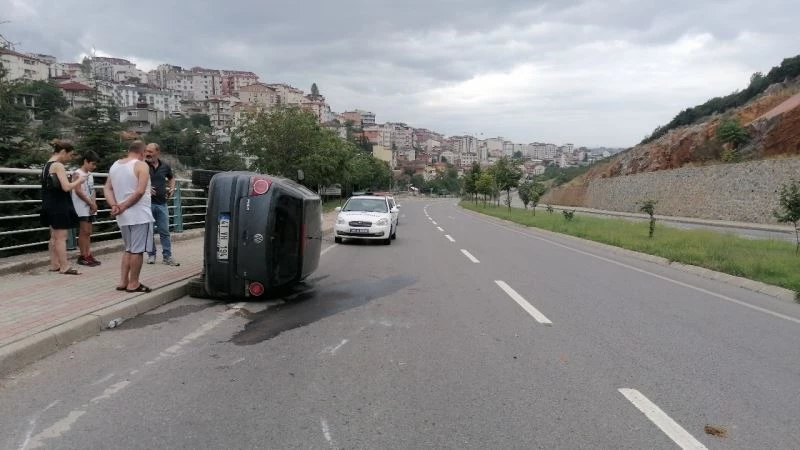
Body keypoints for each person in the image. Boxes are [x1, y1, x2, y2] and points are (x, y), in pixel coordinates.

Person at [104, 140, 154, 293]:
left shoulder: (115, 165)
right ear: (142, 152)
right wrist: (124, 206)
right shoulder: (141, 165)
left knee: (129, 249)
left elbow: (107, 188)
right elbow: (140, 191)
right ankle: (134, 283)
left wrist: (115, 205)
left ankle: (123, 281)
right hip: (140, 214)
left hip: (123, 216)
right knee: (137, 251)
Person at [41, 139, 87, 275]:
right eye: (69, 155)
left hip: (48, 203)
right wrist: (79, 180)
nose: (69, 158)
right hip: (58, 204)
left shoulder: (47, 165)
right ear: (63, 152)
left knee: (54, 237)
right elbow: (66, 187)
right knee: (61, 237)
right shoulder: (58, 165)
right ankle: (64, 267)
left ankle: (54, 264)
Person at [144, 143, 180, 266]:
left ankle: (167, 256)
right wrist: (146, 188)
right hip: (146, 204)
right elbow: (134, 180)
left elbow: (171, 178)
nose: (148, 153)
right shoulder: (142, 165)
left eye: (150, 151)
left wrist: (172, 188)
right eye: (146, 151)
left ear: (157, 153)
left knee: (164, 231)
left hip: (162, 204)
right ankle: (151, 255)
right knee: (149, 232)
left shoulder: (165, 166)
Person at [71, 150, 100, 266]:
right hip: (81, 207)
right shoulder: (77, 173)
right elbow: (78, 191)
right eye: (92, 164)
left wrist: (94, 204)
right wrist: (90, 203)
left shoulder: (90, 175)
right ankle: (82, 256)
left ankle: (88, 254)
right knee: (84, 231)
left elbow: (92, 190)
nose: (94, 166)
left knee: (88, 232)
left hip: (89, 207)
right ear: (86, 161)